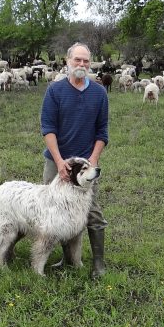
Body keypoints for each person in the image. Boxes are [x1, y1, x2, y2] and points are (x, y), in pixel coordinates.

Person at [40, 42, 109, 279]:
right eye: (77, 60)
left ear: (90, 63)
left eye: (86, 61)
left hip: (84, 165)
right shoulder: (55, 90)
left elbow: (102, 131)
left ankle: (98, 263)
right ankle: (68, 258)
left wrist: (92, 160)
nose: (81, 64)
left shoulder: (99, 93)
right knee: (55, 211)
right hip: (56, 161)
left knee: (92, 213)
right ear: (67, 61)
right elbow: (48, 129)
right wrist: (60, 162)